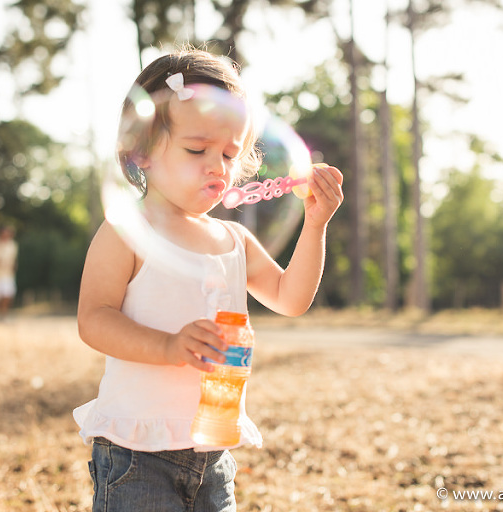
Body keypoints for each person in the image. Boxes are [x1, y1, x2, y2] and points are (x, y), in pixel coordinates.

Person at [73, 47, 343, 512]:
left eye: (230, 154)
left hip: (213, 453)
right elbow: (94, 319)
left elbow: (290, 297)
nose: (217, 165)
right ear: (142, 149)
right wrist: (168, 346)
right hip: (137, 451)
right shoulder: (127, 230)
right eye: (197, 149)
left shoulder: (233, 240)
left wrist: (315, 225)